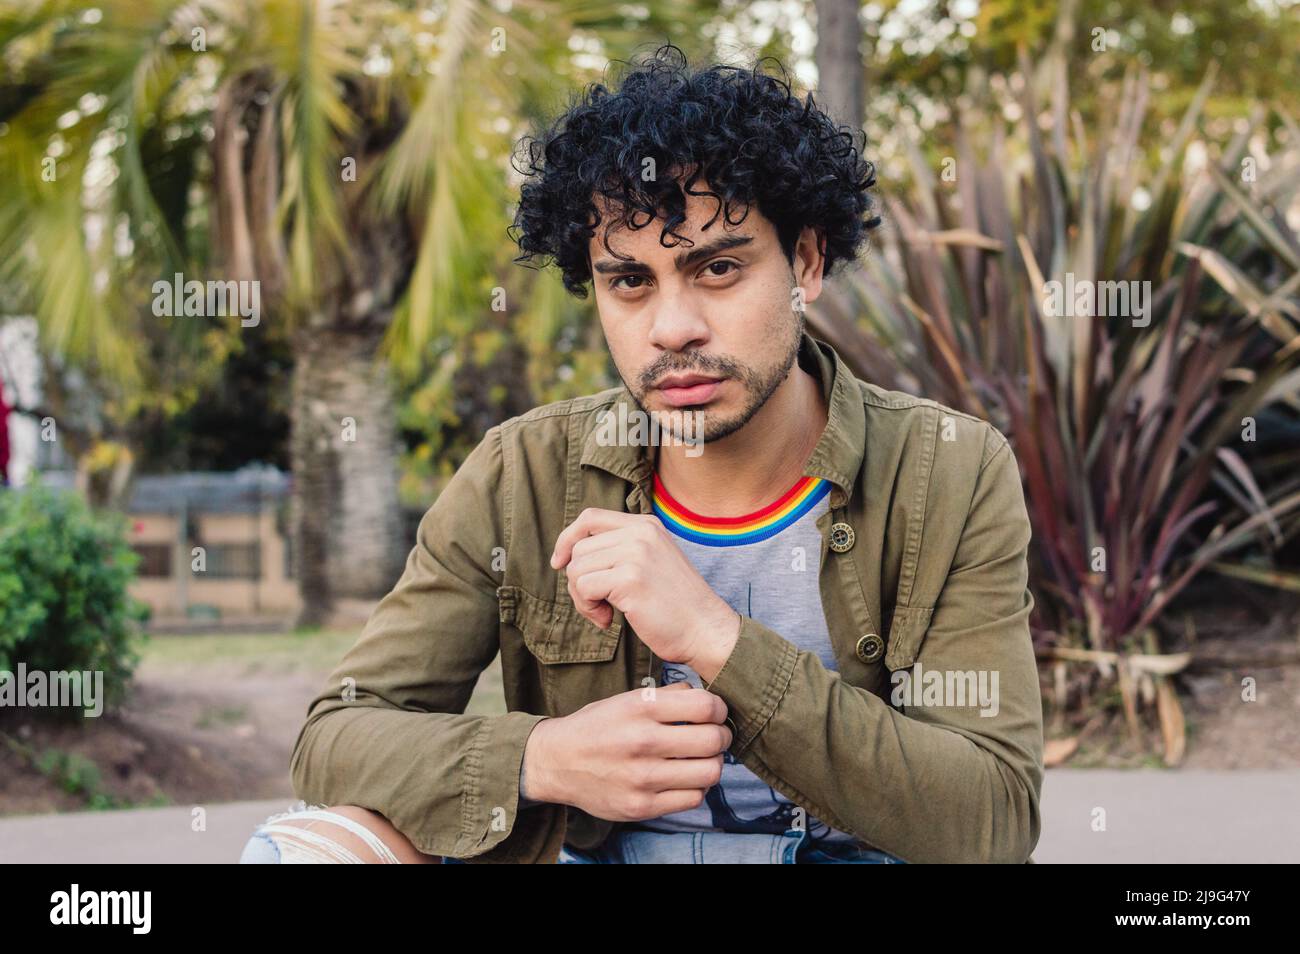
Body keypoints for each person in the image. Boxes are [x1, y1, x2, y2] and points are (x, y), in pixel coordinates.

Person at [241, 43, 1043, 864]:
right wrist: (541, 759)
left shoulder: (950, 468)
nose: (673, 327)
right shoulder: (522, 472)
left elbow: (992, 820)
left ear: (805, 261)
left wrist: (715, 638)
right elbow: (337, 734)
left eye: (719, 268)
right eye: (630, 282)